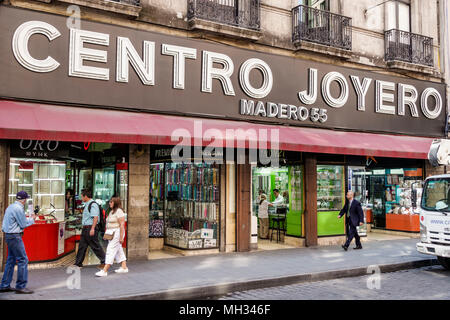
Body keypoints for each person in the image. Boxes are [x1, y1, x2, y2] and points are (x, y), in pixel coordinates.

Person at [0, 191, 36, 294]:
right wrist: (32, 219)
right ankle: (20, 286)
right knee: (23, 260)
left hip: (8, 235)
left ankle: (4, 285)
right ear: (24, 200)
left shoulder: (10, 207)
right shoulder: (18, 208)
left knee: (11, 260)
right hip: (15, 236)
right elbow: (23, 224)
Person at [95, 197, 128, 277]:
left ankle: (105, 270)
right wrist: (106, 235)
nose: (109, 203)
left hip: (117, 233)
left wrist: (121, 237)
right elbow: (108, 224)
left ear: (115, 203)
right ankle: (124, 267)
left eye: (111, 202)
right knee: (118, 250)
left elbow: (122, 225)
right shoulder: (111, 212)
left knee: (111, 250)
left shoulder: (119, 211)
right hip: (111, 233)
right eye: (110, 202)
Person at [74, 189, 106, 269]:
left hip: (90, 228)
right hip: (86, 229)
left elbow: (95, 217)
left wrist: (92, 229)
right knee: (82, 246)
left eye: (82, 196)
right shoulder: (87, 204)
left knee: (95, 246)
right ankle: (78, 263)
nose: (81, 198)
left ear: (85, 196)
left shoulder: (93, 204)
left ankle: (104, 261)